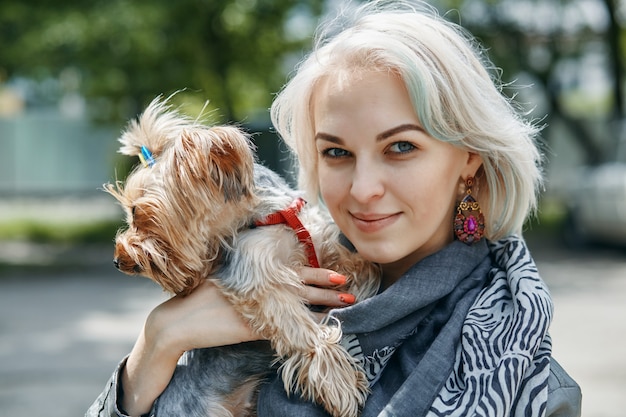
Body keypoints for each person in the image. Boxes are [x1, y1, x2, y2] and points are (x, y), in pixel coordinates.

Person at [86, 1, 582, 416]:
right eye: (337, 153)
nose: (363, 189)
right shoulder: (250, 283)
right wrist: (154, 347)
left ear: (469, 157)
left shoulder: (525, 384)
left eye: (401, 147)